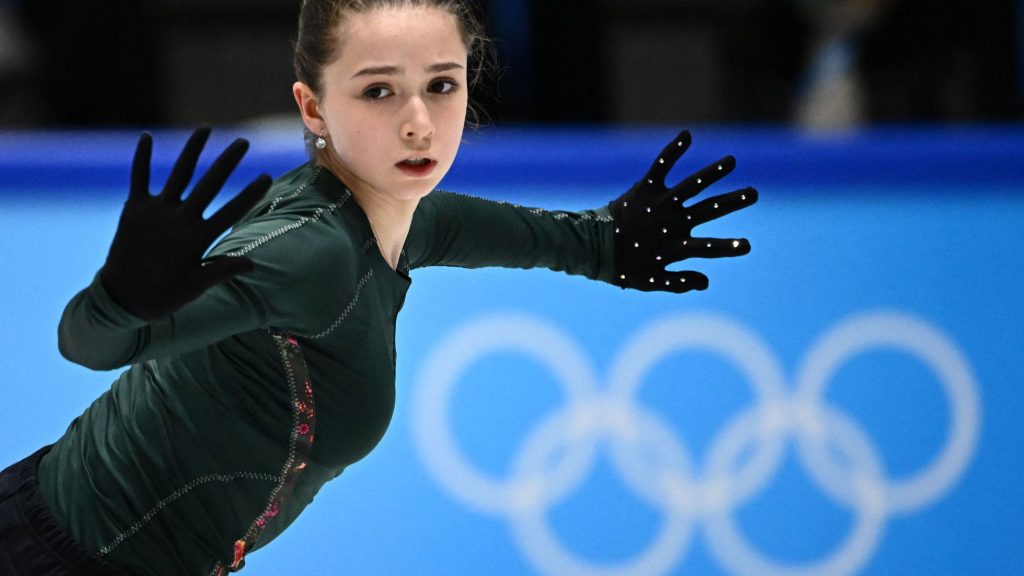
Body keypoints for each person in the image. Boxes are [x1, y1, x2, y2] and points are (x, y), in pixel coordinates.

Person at [0, 1, 758, 574]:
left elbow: (514, 235)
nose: (419, 123)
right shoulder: (309, 252)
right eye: (378, 92)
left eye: (441, 85)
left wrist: (607, 242)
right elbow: (93, 344)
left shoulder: (395, 215)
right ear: (312, 107)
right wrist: (120, 299)